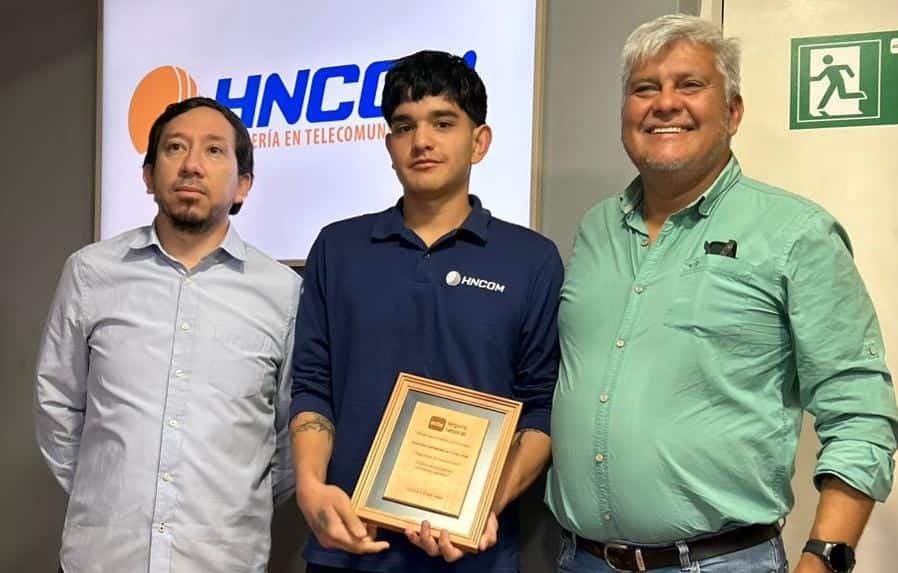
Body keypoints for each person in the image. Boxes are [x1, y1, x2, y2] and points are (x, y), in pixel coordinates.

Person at [545, 14, 898, 573]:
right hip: (578, 558)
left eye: (689, 85)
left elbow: (859, 410)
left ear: (733, 112)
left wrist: (824, 559)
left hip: (720, 563)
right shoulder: (595, 230)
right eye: (644, 89)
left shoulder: (796, 233)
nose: (665, 104)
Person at [289, 50, 564, 573]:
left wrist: (483, 507)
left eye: (443, 122)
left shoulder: (531, 259)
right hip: (347, 549)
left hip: (474, 554)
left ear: (479, 141)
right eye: (404, 126)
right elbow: (312, 385)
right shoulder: (338, 248)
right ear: (388, 143)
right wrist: (309, 487)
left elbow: (542, 406)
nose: (422, 141)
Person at [34, 97, 301, 572]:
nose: (192, 165)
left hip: (222, 561)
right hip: (102, 560)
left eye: (214, 150)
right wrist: (108, 490)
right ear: (148, 175)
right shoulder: (91, 273)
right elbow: (57, 403)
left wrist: (234, 501)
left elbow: (289, 438)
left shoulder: (283, 293)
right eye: (175, 148)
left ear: (243, 184)